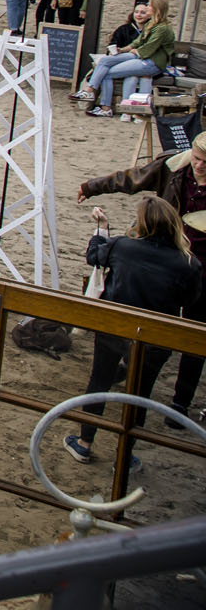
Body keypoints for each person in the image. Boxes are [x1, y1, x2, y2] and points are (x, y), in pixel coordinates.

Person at [63, 198, 202, 462]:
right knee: (141, 393)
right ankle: (125, 454)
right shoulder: (188, 263)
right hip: (156, 336)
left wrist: (102, 229)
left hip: (116, 326)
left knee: (100, 380)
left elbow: (94, 256)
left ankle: (84, 442)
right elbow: (190, 300)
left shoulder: (123, 246)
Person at [78, 132, 206, 419]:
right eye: (197, 160)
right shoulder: (174, 167)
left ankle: (181, 403)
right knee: (148, 322)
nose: (199, 167)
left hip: (199, 266)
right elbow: (132, 178)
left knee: (196, 333)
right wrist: (92, 187)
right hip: (163, 259)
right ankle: (129, 369)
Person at [73, 0, 175, 117]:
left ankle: (105, 107)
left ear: (156, 9)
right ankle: (90, 90)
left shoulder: (162, 29)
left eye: (149, 6)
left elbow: (148, 49)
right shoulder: (151, 24)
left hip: (151, 62)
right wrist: (122, 50)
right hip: (140, 56)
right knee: (105, 60)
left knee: (107, 73)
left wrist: (133, 52)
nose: (147, 7)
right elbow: (137, 42)